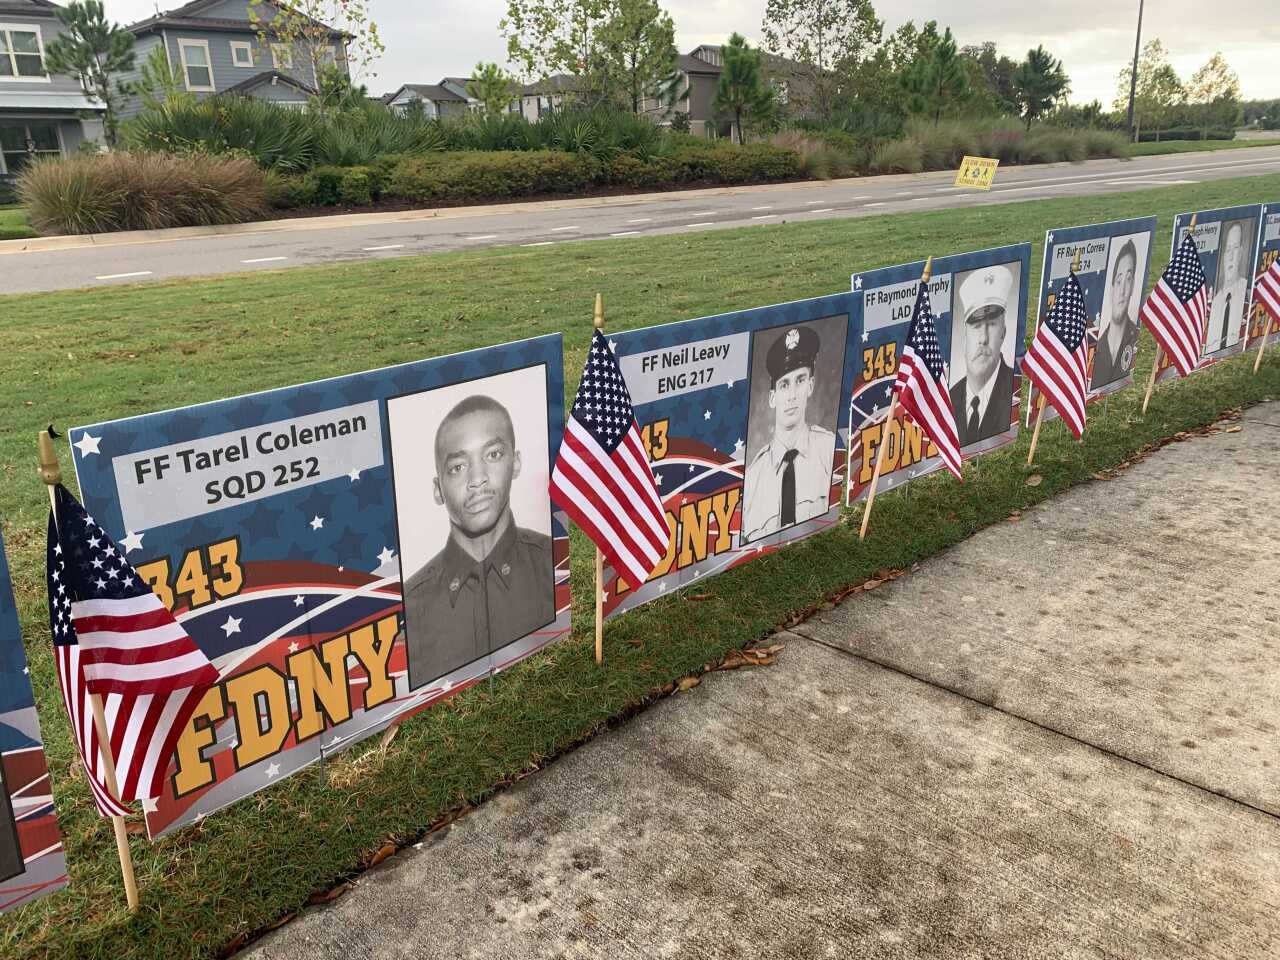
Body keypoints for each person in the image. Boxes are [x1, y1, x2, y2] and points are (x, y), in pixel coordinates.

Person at [402, 395, 554, 691]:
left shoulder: (554, 565)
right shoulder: (410, 609)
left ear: (516, 462)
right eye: (458, 467)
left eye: (493, 454)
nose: (478, 479)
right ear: (438, 490)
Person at [741, 325, 836, 543]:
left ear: (810, 385)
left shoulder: (829, 450)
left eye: (800, 380)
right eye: (784, 385)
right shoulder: (753, 477)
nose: (792, 395)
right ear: (773, 398)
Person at [950, 266, 1016, 446]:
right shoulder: (950, 397)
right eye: (976, 326)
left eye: (992, 324)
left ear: (1003, 333)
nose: (983, 339)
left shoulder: (1014, 388)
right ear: (965, 337)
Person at [1092, 239, 1141, 389]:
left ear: (1133, 285)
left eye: (1128, 279)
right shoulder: (1097, 346)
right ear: (1112, 288)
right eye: (1119, 281)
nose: (1123, 291)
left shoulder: (1134, 337)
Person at [1206, 221, 1248, 354]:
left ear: (1241, 253)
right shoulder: (1216, 302)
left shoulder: (1246, 292)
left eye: (1235, 248)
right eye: (1227, 250)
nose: (1230, 256)